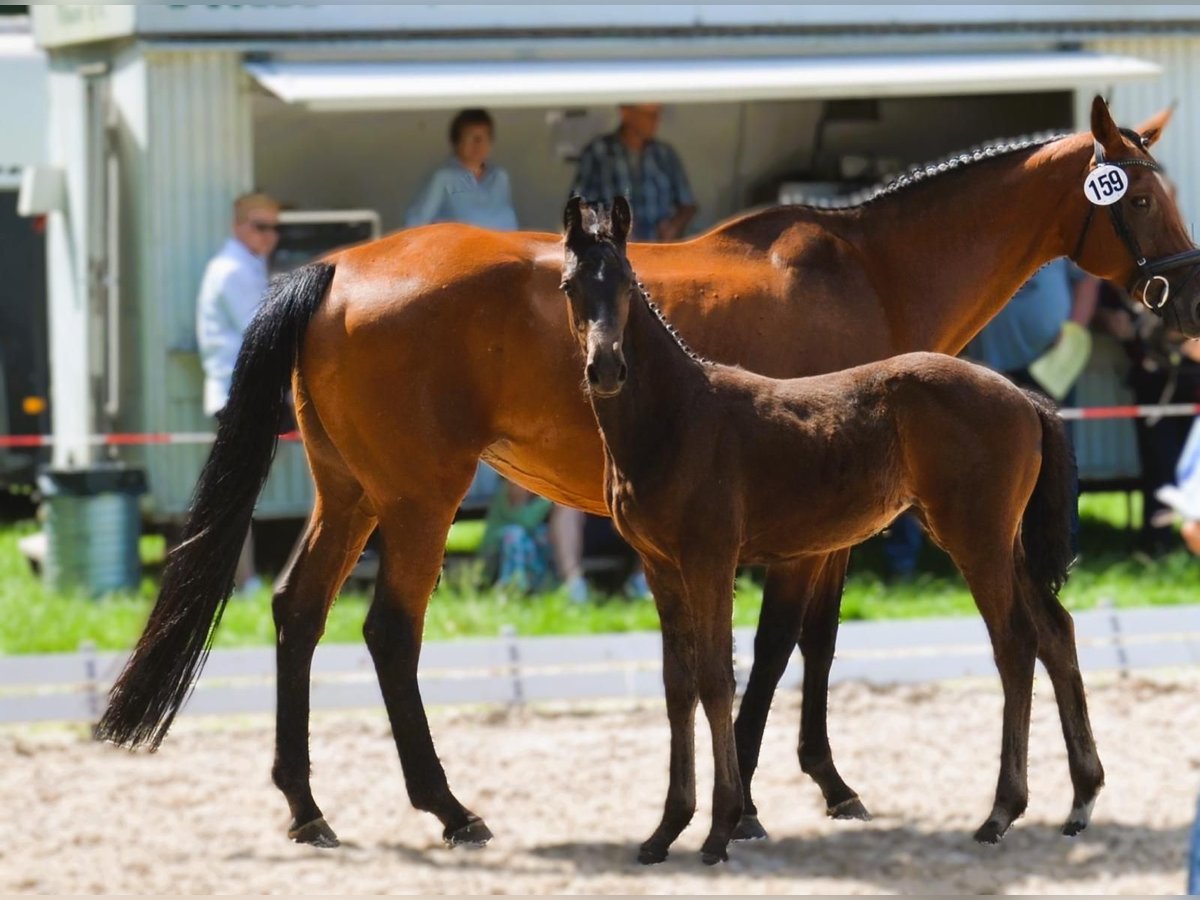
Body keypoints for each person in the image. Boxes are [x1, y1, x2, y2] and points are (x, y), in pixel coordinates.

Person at [882, 258, 1100, 580]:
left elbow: (1088, 280)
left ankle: (1059, 558)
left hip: (1053, 367)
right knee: (984, 472)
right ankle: (984, 561)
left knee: (1057, 466)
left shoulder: (1056, 229)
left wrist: (1075, 330)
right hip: (987, 371)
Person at [195, 191, 281, 593]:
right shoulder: (232, 270)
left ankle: (235, 580)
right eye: (260, 226)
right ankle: (238, 582)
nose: (269, 236)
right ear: (238, 226)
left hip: (245, 394)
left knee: (237, 490)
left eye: (274, 228)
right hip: (237, 397)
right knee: (236, 493)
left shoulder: (248, 265)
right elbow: (261, 330)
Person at [1094, 281, 1200, 554]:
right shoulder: (1128, 274)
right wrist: (1110, 319)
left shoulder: (1187, 271)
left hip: (1192, 382)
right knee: (1160, 463)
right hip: (1152, 380)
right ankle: (1158, 543)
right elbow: (1105, 307)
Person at [569, 103, 697, 242]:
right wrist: (610, 227)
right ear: (626, 113)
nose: (657, 120)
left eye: (659, 114)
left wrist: (674, 227)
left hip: (659, 253)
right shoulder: (598, 153)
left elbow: (687, 204)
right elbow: (578, 206)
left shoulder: (665, 155)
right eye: (650, 115)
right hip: (612, 255)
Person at [405, 108, 518, 231]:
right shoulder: (444, 178)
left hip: (503, 248)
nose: (478, 144)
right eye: (472, 137)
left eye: (483, 137)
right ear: (457, 142)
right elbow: (416, 223)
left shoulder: (500, 177)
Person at [479, 479, 554, 595]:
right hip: (495, 549)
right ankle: (510, 586)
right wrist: (548, 501)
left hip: (524, 546)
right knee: (515, 534)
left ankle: (540, 584)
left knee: (542, 535)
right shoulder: (509, 487)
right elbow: (524, 521)